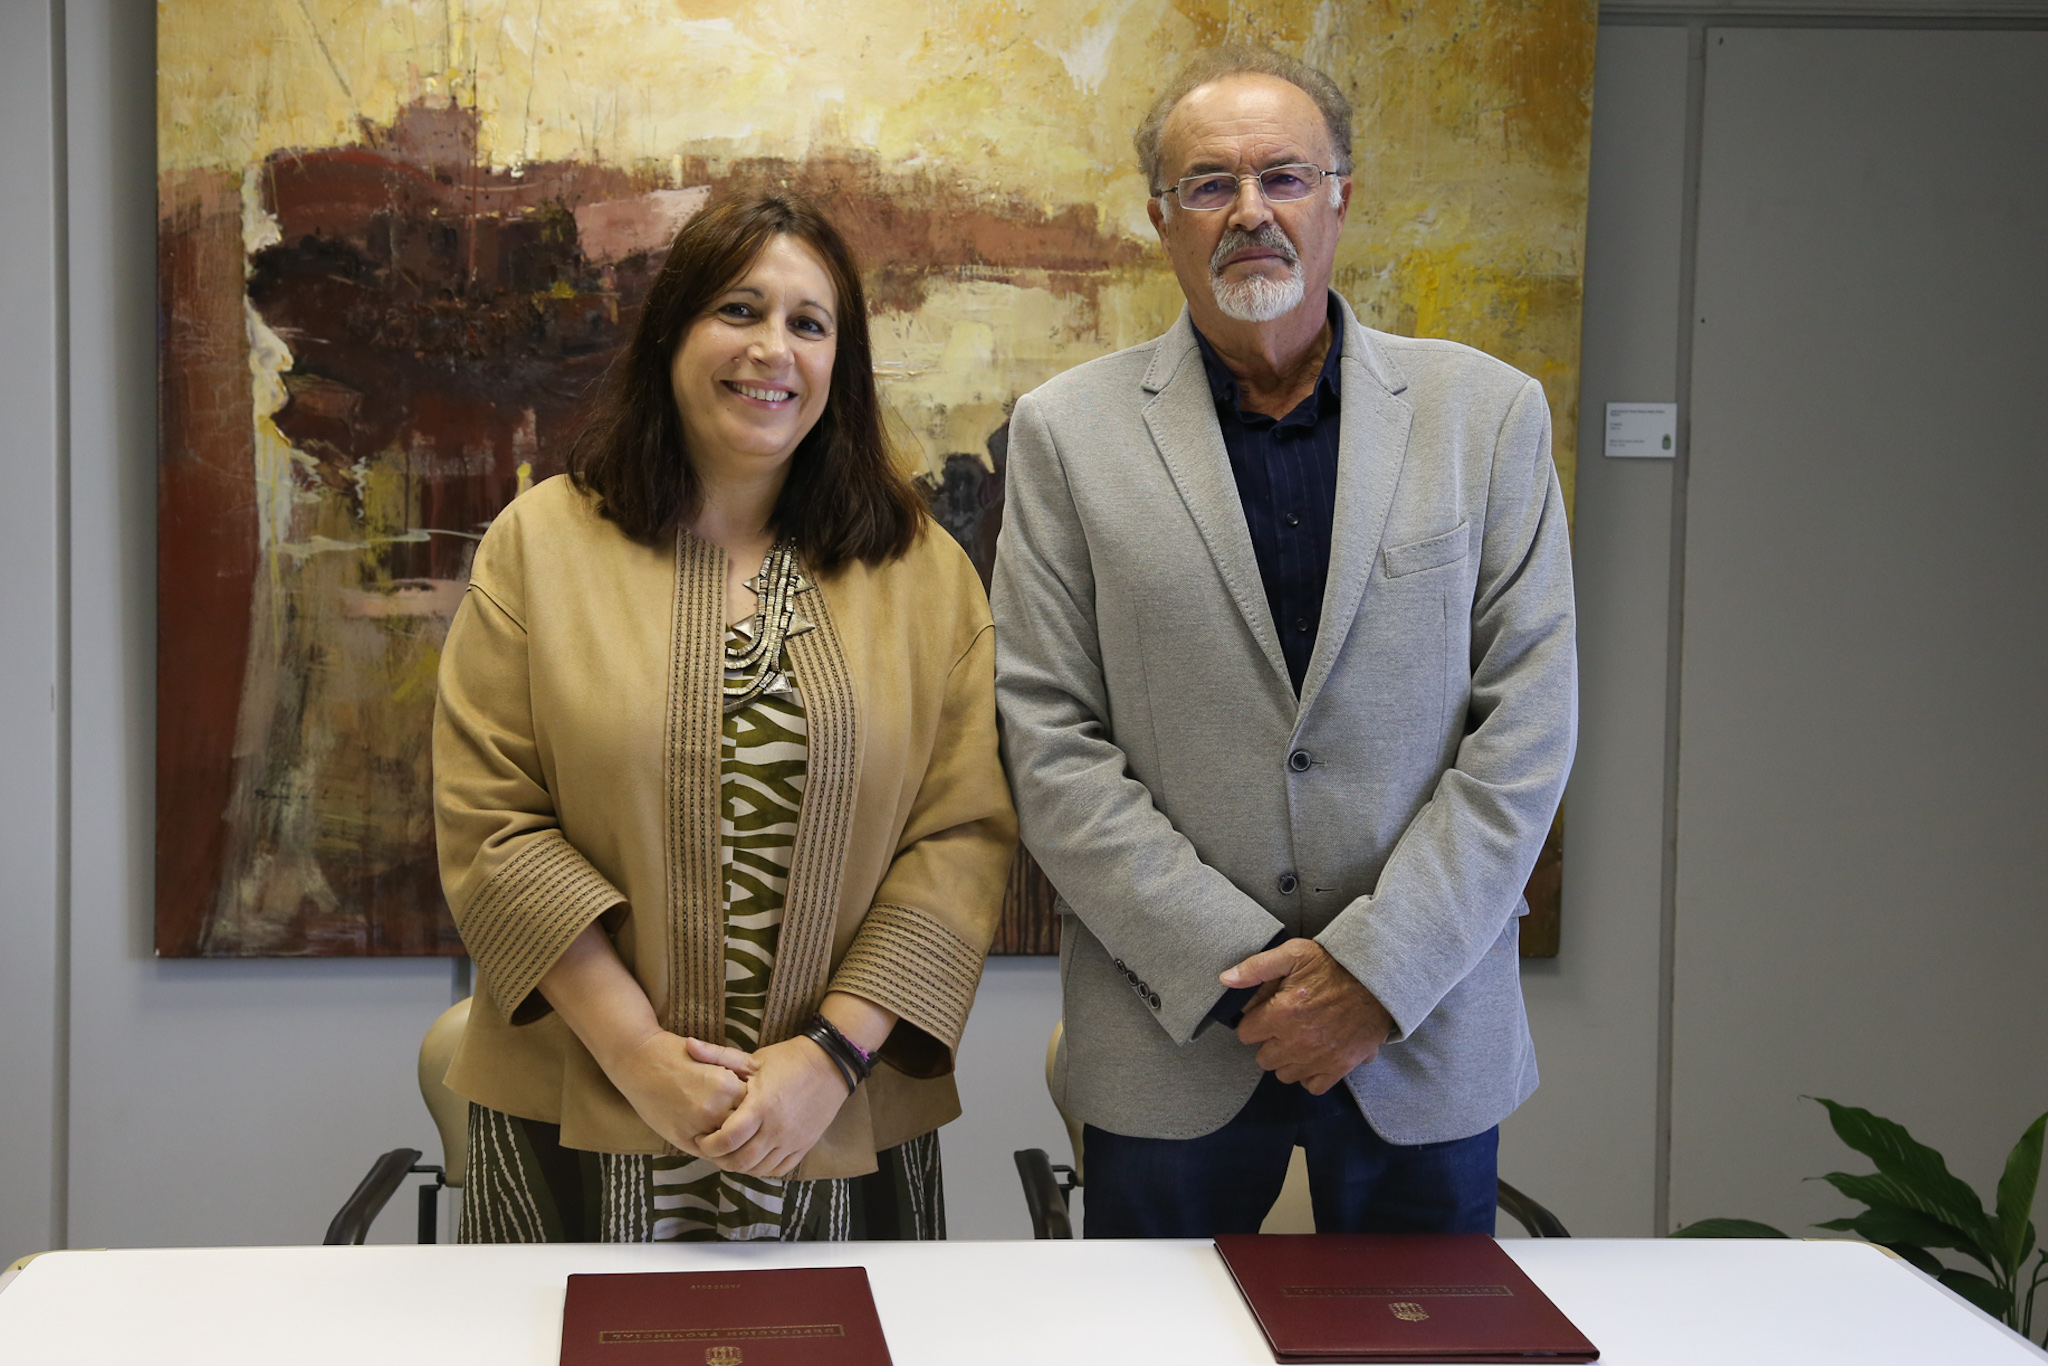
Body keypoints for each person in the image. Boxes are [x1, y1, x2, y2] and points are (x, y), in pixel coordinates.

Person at [991, 46, 1577, 1237]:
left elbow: (1526, 726)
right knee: (1154, 1331)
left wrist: (1373, 970)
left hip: (1416, 1031)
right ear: (1159, 218)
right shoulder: (1064, 434)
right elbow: (1045, 738)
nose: (1249, 211)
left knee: (1424, 1333)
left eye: (1284, 177)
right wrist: (1243, 970)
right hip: (1171, 1040)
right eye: (1208, 184)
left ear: (1339, 198)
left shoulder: (1485, 417)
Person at [433, 192, 1015, 1243]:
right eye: (738, 310)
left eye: (808, 323)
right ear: (672, 335)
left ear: (840, 364)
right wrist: (636, 1055)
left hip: (836, 1112)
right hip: (579, 1096)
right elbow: (492, 824)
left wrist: (829, 1058)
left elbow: (960, 839)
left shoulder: (924, 573)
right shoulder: (539, 545)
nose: (770, 350)